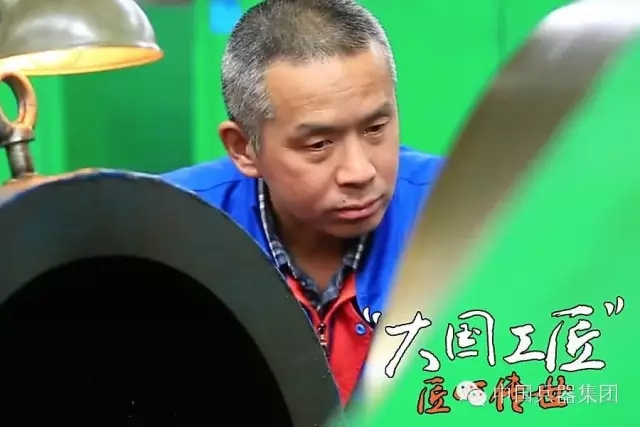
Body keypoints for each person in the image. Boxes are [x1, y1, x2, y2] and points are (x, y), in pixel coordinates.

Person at [162, 0, 444, 406]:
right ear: (243, 148)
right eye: (319, 144)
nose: (360, 171)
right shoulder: (169, 227)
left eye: (376, 128)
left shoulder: (466, 209)